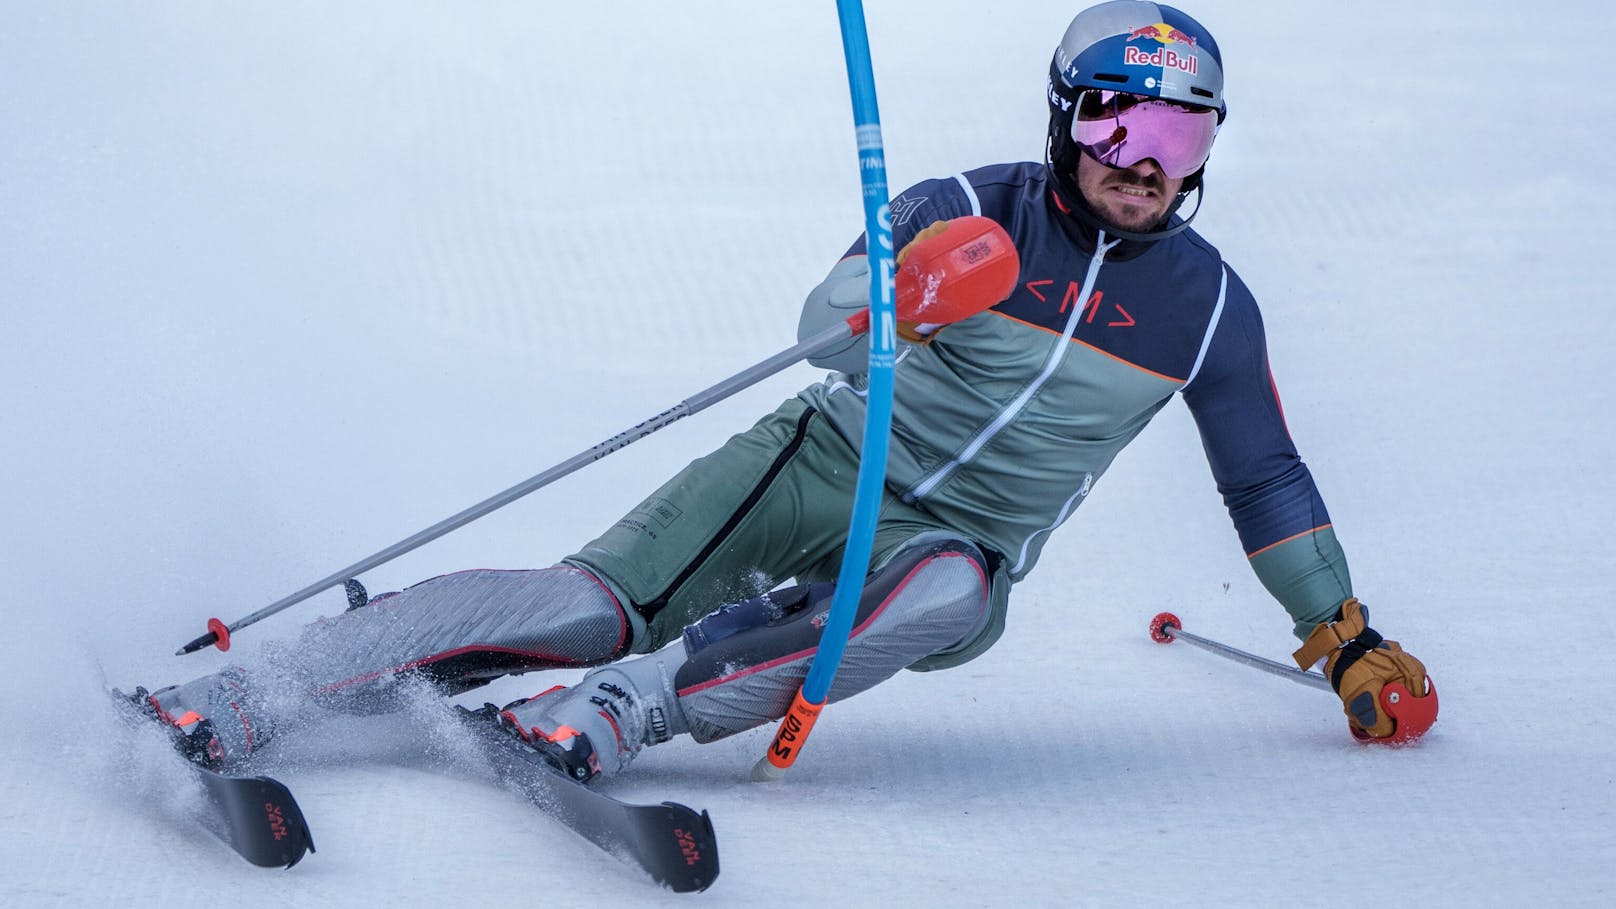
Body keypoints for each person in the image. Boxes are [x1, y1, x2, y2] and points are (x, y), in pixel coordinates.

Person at [132, 1, 1435, 780]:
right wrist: (898, 298)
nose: (1142, 163)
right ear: (1063, 118)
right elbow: (822, 325)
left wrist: (1346, 635)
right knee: (592, 604)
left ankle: (616, 716)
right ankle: (276, 681)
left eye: (1177, 135)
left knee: (945, 592)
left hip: (954, 535)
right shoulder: (971, 206)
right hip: (823, 453)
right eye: (1115, 123)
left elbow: (1264, 475)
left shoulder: (1206, 305)